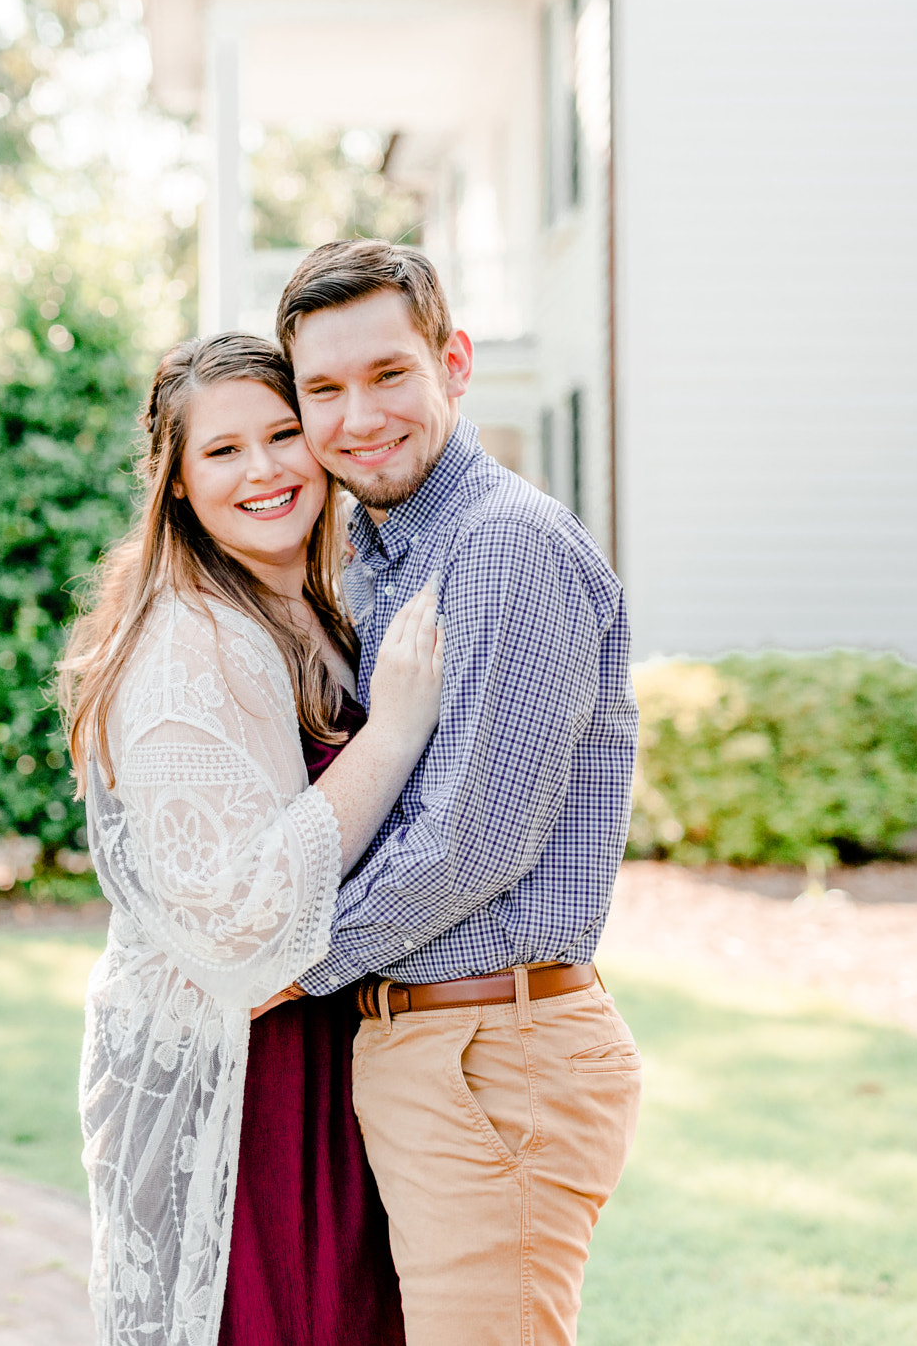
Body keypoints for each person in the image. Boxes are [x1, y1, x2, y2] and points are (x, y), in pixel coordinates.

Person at [275, 239, 644, 1346]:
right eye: (324, 390)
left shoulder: (498, 549)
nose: (359, 417)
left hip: (497, 1057)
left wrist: (286, 962)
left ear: (455, 362)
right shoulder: (371, 555)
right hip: (431, 1050)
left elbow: (472, 841)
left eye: (389, 374)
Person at [61, 333, 442, 1346]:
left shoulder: (316, 603)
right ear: (176, 483)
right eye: (223, 451)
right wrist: (396, 727)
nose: (265, 469)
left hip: (324, 1051)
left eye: (282, 434)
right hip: (249, 1076)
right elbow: (241, 921)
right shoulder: (191, 639)